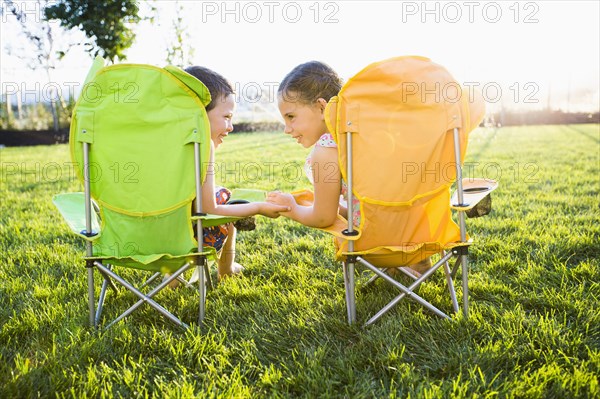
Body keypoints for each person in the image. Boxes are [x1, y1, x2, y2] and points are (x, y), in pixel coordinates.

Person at [266, 61, 431, 277]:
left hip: (376, 243)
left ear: (322, 107)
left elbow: (323, 218)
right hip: (425, 231)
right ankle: (416, 263)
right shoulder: (375, 134)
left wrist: (292, 208)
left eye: (291, 117)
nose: (287, 129)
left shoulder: (326, 150)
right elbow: (374, 200)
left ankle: (402, 266)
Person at [179, 66, 289, 281]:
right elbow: (210, 209)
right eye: (227, 117)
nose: (230, 127)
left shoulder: (150, 147)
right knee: (224, 199)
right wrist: (257, 206)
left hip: (136, 236)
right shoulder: (202, 146)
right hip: (185, 242)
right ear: (198, 115)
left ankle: (173, 277)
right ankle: (226, 269)